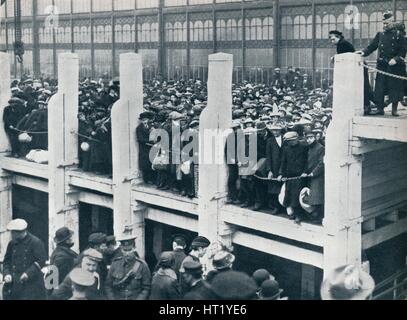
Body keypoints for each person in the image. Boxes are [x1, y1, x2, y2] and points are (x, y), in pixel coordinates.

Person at [356, 12, 407, 116]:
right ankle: (380, 109)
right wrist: (364, 52)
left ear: (392, 22)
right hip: (382, 65)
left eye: (387, 23)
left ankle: (394, 109)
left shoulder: (399, 35)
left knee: (395, 88)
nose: (385, 26)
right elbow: (372, 46)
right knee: (380, 87)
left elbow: (403, 51)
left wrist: (396, 59)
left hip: (395, 66)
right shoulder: (380, 34)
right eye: (383, 23)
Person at [2, 219, 47, 300]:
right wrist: (7, 274)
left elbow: (41, 261)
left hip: (32, 285)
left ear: (21, 232)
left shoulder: (36, 242)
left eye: (13, 232)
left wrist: (28, 273)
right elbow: (6, 261)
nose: (11, 234)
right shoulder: (12, 244)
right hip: (15, 285)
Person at [104, 235, 151, 300]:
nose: (127, 253)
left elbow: (146, 288)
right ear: (121, 249)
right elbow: (108, 286)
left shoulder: (142, 266)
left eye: (129, 250)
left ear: (134, 248)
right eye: (124, 250)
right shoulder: (115, 264)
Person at [278, 131, 308, 223]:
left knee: (297, 196)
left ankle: (299, 215)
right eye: (288, 141)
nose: (290, 142)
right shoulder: (286, 149)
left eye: (291, 140)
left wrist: (305, 172)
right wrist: (281, 174)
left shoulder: (304, 147)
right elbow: (283, 162)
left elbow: (307, 161)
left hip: (299, 177)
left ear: (296, 139)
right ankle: (293, 213)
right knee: (289, 195)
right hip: (289, 177)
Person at [304, 131, 325, 222]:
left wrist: (314, 173)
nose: (309, 140)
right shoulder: (308, 148)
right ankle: (314, 216)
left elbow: (321, 163)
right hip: (309, 176)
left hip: (317, 177)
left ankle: (318, 217)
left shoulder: (320, 148)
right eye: (307, 138)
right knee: (311, 197)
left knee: (317, 198)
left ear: (315, 138)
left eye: (311, 138)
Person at [266, 124, 284, 214]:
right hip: (274, 168)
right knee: (274, 189)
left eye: (277, 130)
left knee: (284, 188)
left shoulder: (285, 139)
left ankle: (284, 207)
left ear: (280, 130)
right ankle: (276, 207)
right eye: (273, 130)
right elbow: (268, 156)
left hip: (284, 166)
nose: (275, 132)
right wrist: (269, 170)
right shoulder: (270, 141)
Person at [136, 111, 155, 184]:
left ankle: (152, 179)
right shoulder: (139, 128)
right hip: (144, 148)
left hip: (151, 148)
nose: (144, 121)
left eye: (146, 119)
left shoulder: (151, 127)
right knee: (145, 164)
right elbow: (140, 139)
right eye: (143, 120)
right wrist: (150, 141)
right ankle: (146, 179)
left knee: (151, 163)